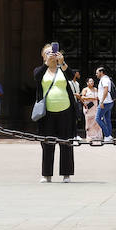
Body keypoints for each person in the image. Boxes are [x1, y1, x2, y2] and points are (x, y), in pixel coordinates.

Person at [33, 42, 78, 182]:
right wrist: (47, 64)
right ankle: (46, 174)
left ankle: (66, 174)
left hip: (65, 111)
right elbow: (36, 77)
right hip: (47, 113)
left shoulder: (62, 69)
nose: (51, 55)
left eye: (52, 52)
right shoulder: (40, 70)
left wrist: (62, 63)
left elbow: (72, 76)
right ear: (43, 57)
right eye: (47, 53)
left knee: (66, 142)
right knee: (47, 143)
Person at [95, 66, 115, 141]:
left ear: (101, 72)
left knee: (97, 118)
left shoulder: (104, 79)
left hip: (105, 102)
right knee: (107, 119)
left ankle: (107, 135)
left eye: (97, 73)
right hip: (108, 102)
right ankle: (109, 135)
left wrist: (102, 101)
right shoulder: (105, 79)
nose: (96, 74)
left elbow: (106, 90)